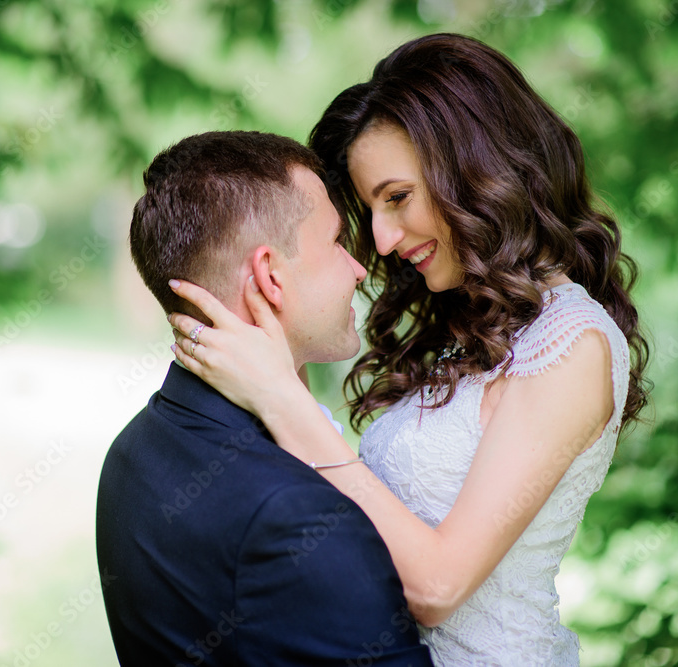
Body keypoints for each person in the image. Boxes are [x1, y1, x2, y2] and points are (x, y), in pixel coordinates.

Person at [166, 34, 650, 665]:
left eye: (397, 198)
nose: (383, 240)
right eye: (371, 209)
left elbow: (438, 587)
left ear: (480, 168)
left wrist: (283, 400)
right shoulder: (469, 325)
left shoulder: (572, 346)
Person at [96, 130, 434, 666]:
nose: (358, 269)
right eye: (337, 242)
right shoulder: (304, 515)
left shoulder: (133, 451)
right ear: (269, 276)